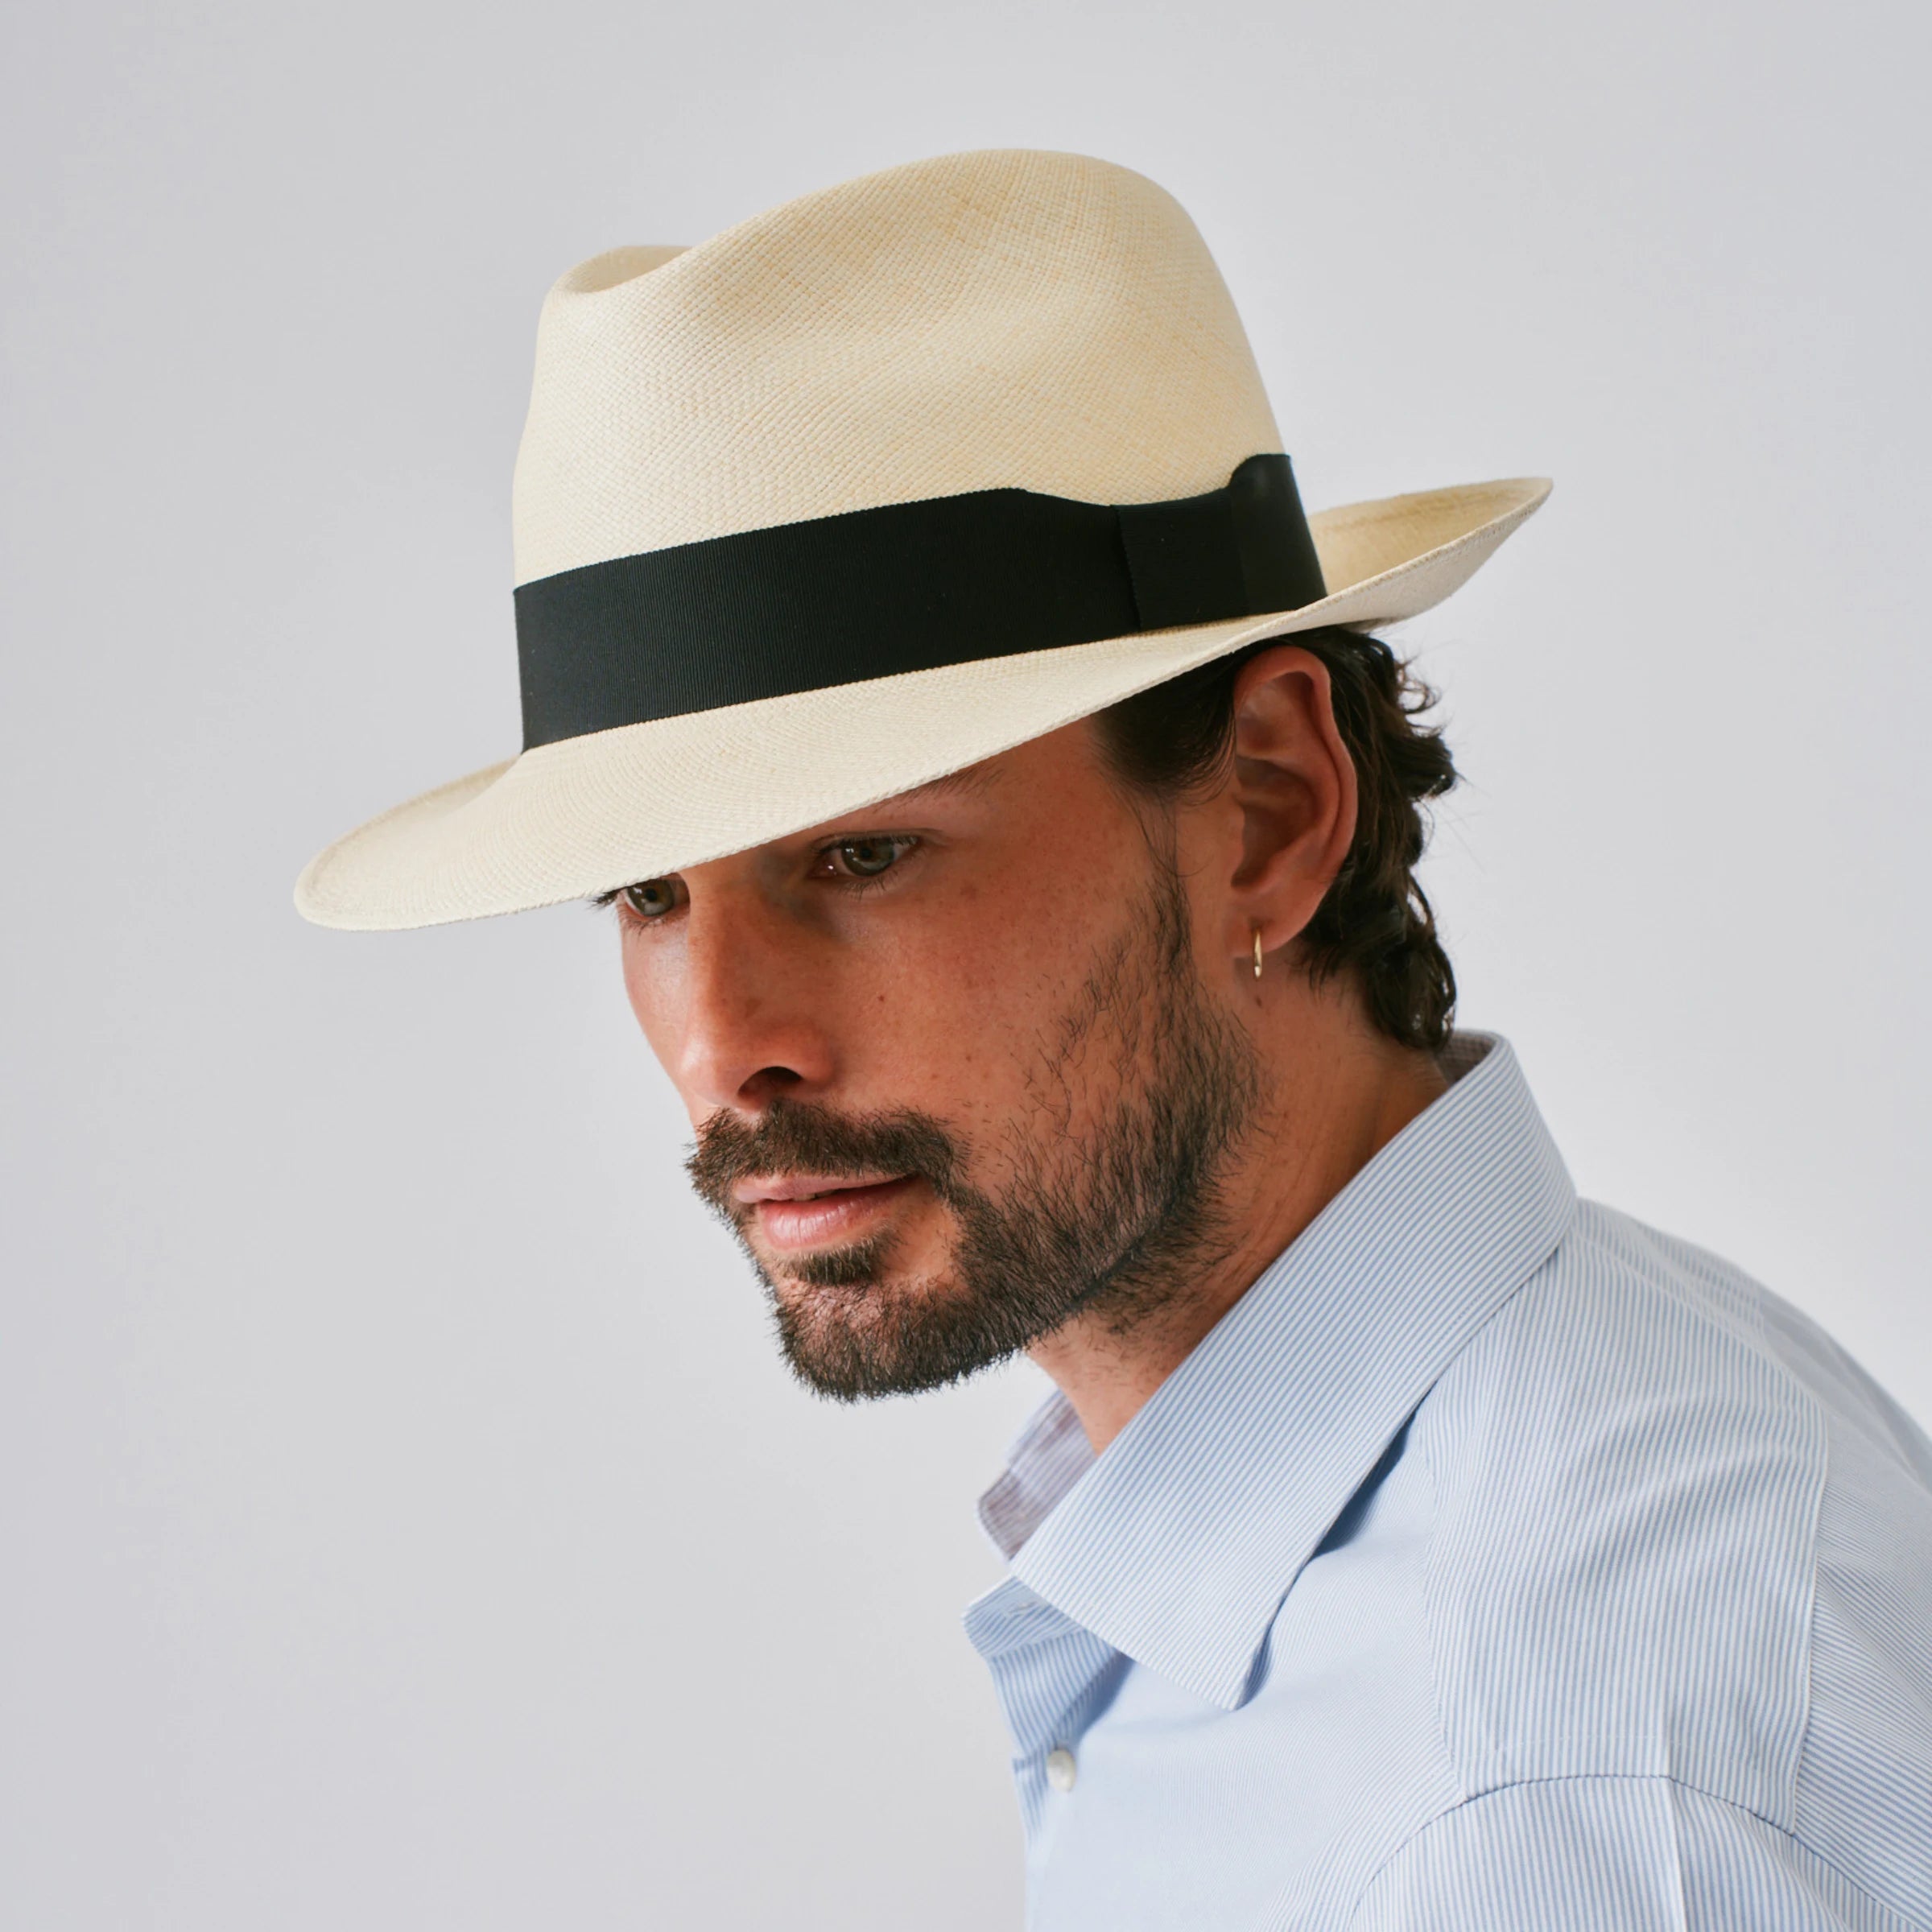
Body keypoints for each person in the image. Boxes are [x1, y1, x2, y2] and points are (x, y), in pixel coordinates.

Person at [297, 150, 1932, 1928]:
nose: (722, 1049)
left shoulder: (1535, 1794)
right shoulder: (1594, 1414)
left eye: (862, 854)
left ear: (1270, 807)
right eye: (645, 893)